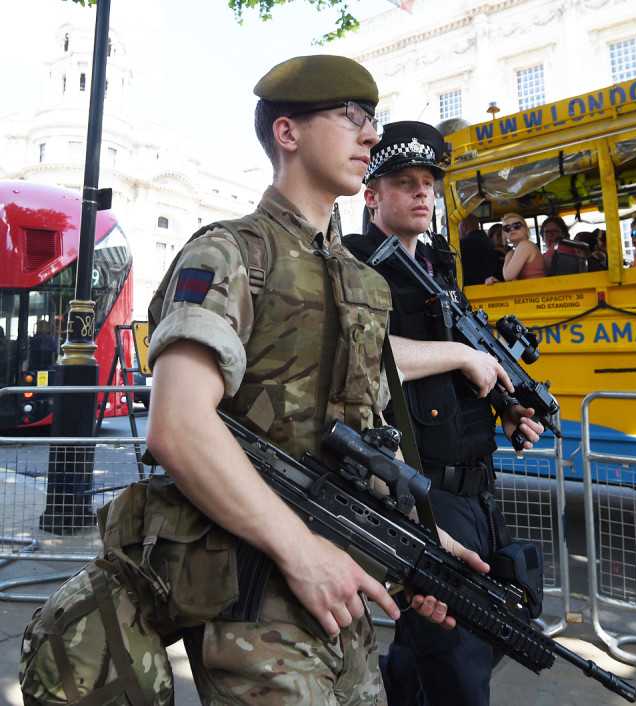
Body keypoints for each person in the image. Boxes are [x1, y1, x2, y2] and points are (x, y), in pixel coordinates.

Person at [20, 55, 482, 706]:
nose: (371, 136)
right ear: (287, 133)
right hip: (252, 595)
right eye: (352, 116)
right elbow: (178, 426)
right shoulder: (231, 252)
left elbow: (374, 438)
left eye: (372, 119)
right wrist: (303, 553)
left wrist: (418, 545)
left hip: (337, 601)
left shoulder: (364, 285)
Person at [343, 120, 544, 706]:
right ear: (372, 194)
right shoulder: (354, 264)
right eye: (404, 182)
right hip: (422, 488)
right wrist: (462, 354)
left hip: (477, 486)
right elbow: (365, 360)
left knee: (493, 621)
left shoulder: (439, 267)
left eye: (429, 182)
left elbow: (464, 370)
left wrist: (505, 408)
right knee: (459, 657)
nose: (423, 193)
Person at [485, 212, 547, 283]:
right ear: (505, 234)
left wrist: (508, 255)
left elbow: (508, 276)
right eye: (507, 228)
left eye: (517, 225)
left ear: (526, 230)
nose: (512, 229)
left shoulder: (525, 245)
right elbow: (512, 281)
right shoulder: (517, 250)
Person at [458, 213, 503, 286]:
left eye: (458, 227)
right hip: (491, 286)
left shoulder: (462, 244)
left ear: (464, 227)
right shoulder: (488, 242)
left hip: (470, 289)